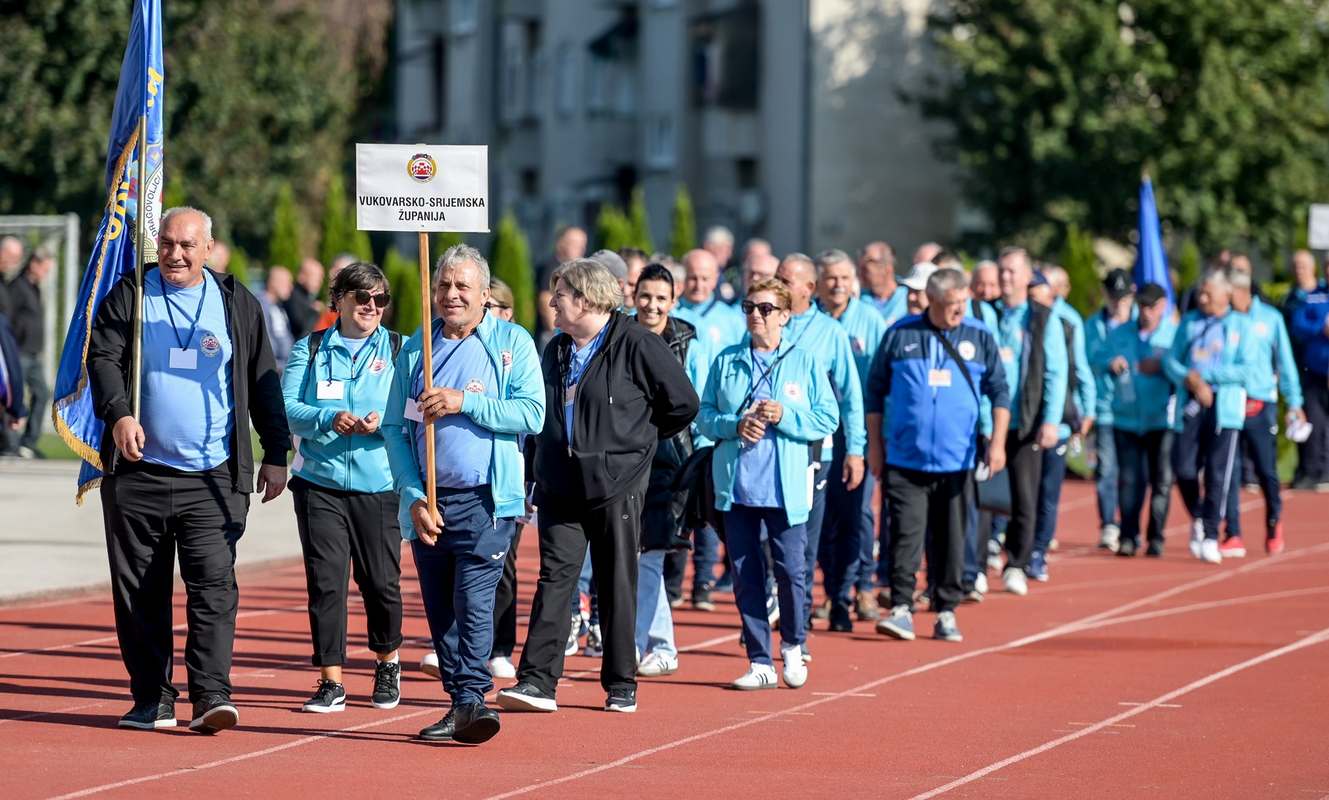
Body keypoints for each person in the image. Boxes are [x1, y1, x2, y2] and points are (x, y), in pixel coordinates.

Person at [88, 207, 290, 734]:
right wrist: (120, 414)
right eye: (168, 243)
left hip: (212, 477)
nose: (175, 254)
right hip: (140, 473)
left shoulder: (234, 301)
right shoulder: (130, 293)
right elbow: (103, 357)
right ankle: (151, 698)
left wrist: (275, 451)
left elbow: (263, 377)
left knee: (214, 588)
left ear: (208, 248)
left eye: (187, 245)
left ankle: (211, 695)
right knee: (140, 592)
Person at [498, 258, 697, 715]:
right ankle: (537, 681)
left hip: (617, 485)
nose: (551, 303)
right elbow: (541, 416)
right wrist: (535, 472)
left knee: (617, 580)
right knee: (555, 578)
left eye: (560, 295)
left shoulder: (638, 344)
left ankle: (621, 682)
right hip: (560, 485)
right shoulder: (556, 349)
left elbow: (683, 404)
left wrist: (635, 445)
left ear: (585, 300)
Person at [383, 244, 544, 743]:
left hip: (486, 501)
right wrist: (413, 495)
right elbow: (394, 426)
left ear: (483, 295)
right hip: (430, 501)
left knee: (473, 603)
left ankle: (473, 699)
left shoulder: (511, 344)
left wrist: (464, 402)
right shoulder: (418, 347)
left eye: (461, 287)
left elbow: (532, 413)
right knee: (440, 610)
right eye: (443, 286)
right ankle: (462, 702)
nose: (450, 295)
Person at [697, 278, 838, 689]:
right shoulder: (726, 360)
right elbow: (705, 416)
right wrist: (734, 424)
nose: (756, 316)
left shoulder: (805, 361)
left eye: (765, 309)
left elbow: (828, 418)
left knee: (792, 571)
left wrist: (786, 417)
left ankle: (794, 645)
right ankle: (759, 659)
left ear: (785, 315)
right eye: (749, 308)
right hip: (737, 485)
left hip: (787, 488)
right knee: (745, 574)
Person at [281, 262, 405, 714]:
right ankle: (330, 679)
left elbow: (414, 409)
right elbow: (288, 408)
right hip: (320, 484)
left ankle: (388, 661)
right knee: (326, 582)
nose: (372, 306)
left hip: (381, 484)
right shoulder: (311, 349)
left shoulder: (400, 349)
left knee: (381, 582)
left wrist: (383, 425)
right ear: (340, 300)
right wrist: (326, 419)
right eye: (362, 297)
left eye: (380, 299)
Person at [868, 268, 1010, 642]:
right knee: (905, 535)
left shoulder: (979, 336)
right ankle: (901, 607)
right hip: (904, 458)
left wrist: (997, 444)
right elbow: (875, 393)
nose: (959, 311)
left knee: (951, 538)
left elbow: (999, 393)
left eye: (964, 303)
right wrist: (875, 445)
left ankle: (946, 609)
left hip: (957, 461)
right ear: (931, 301)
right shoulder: (900, 334)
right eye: (951, 304)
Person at [775, 253, 865, 647]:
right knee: (766, 539)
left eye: (786, 280)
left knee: (806, 539)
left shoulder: (829, 333)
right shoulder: (765, 323)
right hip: (765, 451)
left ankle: (803, 619)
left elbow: (851, 398)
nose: (777, 286)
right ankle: (773, 607)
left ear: (808, 288)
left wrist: (856, 449)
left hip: (814, 454)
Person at [632, 263, 703, 677]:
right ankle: (645, 640)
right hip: (625, 458)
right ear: (633, 296)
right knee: (630, 554)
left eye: (661, 298)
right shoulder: (620, 334)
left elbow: (698, 399)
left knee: (651, 553)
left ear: (672, 302)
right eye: (645, 296)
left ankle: (652, 644)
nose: (652, 305)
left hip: (671, 458)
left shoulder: (687, 339)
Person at [814, 249, 887, 627]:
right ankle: (830, 591)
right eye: (831, 278)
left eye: (844, 278)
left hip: (857, 429)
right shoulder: (810, 320)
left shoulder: (870, 320)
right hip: (817, 429)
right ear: (819, 282)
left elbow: (879, 379)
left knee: (859, 511)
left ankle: (864, 585)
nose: (838, 285)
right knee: (823, 513)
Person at [1164, 269, 1258, 564]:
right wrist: (1189, 379)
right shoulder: (1190, 322)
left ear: (1225, 295)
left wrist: (1209, 378)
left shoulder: (1242, 325)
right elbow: (1171, 359)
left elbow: (1247, 368)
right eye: (1200, 293)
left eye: (1208, 294)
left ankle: (1209, 534)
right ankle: (1199, 514)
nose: (1202, 298)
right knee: (1183, 466)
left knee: (1218, 473)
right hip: (1191, 402)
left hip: (1224, 405)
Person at [993, 247, 1068, 595]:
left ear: (1027, 277)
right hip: (988, 421)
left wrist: (1051, 420)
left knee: (1025, 495)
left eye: (1012, 272)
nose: (1006, 278)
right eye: (1002, 271)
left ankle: (1017, 563)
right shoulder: (987, 312)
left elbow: (1056, 372)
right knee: (983, 496)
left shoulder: (1042, 318)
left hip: (1025, 420)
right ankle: (977, 564)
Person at [1222, 269, 1303, 556]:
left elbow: (1285, 362)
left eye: (1228, 293)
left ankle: (1273, 520)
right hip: (1230, 402)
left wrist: (1294, 402)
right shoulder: (1225, 320)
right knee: (1229, 468)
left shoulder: (1270, 319)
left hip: (1260, 403)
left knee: (1266, 469)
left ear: (1241, 292)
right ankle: (1232, 531)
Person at [1028, 267, 1095, 582]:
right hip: (1025, 421)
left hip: (1060, 423)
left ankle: (1038, 550)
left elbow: (1079, 368)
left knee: (1047, 491)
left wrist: (1087, 409)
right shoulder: (1019, 319)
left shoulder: (1068, 322)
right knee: (1023, 490)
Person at [1101, 284, 1176, 557]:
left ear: (1163, 306)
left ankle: (1156, 536)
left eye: (1152, 306)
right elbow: (1096, 357)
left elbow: (1185, 370)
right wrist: (1111, 362)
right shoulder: (1121, 333)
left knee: (1161, 480)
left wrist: (1163, 366)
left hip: (1161, 420)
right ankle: (1128, 535)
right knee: (1130, 480)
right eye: (1142, 306)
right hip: (1126, 418)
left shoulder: (1172, 335)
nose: (1146, 312)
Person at [1084, 269, 1135, 552]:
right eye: (1114, 297)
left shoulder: (1140, 324)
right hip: (1104, 409)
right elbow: (1086, 357)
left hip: (1135, 411)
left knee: (1132, 473)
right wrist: (1108, 361)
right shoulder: (1093, 325)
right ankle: (1108, 523)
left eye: (1123, 297)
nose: (1118, 303)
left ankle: (1130, 523)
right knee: (1106, 469)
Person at [1284, 250, 1327, 490]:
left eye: (1303, 265)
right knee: (1313, 421)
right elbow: (1299, 324)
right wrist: (1322, 327)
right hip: (1311, 370)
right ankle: (1311, 471)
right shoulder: (1310, 297)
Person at [5, 248, 54, 458]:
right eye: (44, 269)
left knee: (42, 393)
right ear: (34, 263)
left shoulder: (34, 288)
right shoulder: (16, 287)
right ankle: (9, 444)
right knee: (12, 399)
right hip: (18, 352)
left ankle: (28, 442)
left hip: (33, 354)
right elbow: (8, 319)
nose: (45, 273)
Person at [536, 226, 588, 347]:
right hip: (553, 334)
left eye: (583, 244)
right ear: (560, 244)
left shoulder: (576, 270)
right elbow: (545, 299)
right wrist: (555, 333)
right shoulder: (552, 268)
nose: (581, 248)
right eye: (575, 244)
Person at [857, 241, 908, 324]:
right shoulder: (858, 298)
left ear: (887, 268)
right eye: (860, 267)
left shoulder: (909, 297)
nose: (860, 273)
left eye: (865, 269)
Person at [260, 266, 295, 374]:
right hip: (273, 370)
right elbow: (265, 343)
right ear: (273, 283)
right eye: (286, 283)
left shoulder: (278, 307)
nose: (290, 287)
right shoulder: (260, 305)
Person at [284, 259, 325, 341]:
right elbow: (302, 329)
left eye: (321, 277)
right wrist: (314, 312)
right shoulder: (293, 297)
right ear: (301, 276)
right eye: (315, 276)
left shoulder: (307, 296)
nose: (319, 281)